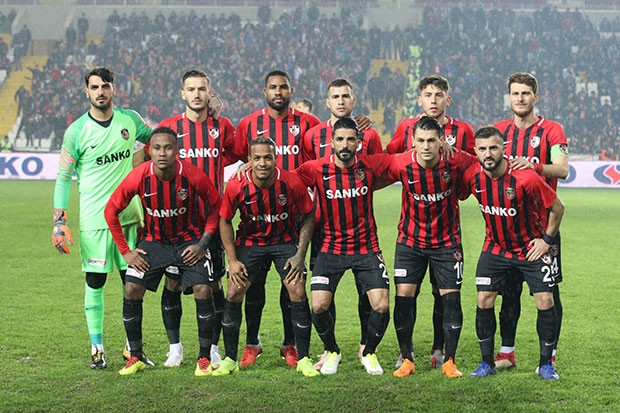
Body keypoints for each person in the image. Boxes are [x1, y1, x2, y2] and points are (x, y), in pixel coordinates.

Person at [52, 67, 151, 369]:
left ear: (113, 89)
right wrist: (59, 221)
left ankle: (132, 348)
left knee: (132, 284)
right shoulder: (76, 131)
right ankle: (97, 348)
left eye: (105, 86)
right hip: (95, 221)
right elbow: (63, 177)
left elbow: (158, 141)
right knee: (95, 282)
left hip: (129, 218)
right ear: (87, 91)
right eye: (94, 87)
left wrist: (139, 159)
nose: (100, 92)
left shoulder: (130, 120)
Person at [104, 127, 221, 376]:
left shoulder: (191, 175)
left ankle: (203, 358)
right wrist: (126, 252)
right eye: (157, 148)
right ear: (149, 150)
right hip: (153, 242)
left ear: (177, 150)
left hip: (188, 242)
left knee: (203, 289)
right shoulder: (139, 176)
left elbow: (216, 206)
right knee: (131, 288)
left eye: (168, 148)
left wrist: (202, 244)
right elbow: (110, 211)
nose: (162, 153)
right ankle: (135, 356)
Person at [386, 74, 475, 369]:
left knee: (444, 294)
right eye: (428, 95)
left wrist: (454, 157)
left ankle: (440, 349)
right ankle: (406, 352)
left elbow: (476, 166)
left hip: (446, 235)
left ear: (447, 99)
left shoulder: (463, 131)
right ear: (420, 99)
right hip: (411, 234)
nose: (433, 100)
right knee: (406, 294)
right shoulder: (405, 128)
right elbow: (387, 160)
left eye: (439, 95)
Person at [462, 126, 564, 381]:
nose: (488, 153)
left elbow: (558, 207)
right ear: (475, 151)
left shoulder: (526, 178)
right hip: (495, 248)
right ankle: (487, 363)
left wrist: (546, 241)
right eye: (482, 149)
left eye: (493, 148)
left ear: (504, 149)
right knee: (484, 299)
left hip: (530, 248)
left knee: (546, 300)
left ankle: (546, 365)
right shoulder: (472, 176)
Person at [234, 70, 321, 368]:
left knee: (292, 286)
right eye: (273, 87)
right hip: (257, 221)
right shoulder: (248, 124)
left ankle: (290, 344)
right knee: (253, 286)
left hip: (294, 219)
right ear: (265, 91)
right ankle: (252, 343)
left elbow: (325, 149)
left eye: (283, 87)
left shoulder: (308, 123)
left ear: (291, 90)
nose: (278, 92)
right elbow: (238, 157)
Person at [156, 69, 241, 369]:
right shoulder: (169, 128)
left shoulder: (222, 126)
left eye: (201, 89)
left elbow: (239, 153)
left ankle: (213, 348)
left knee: (213, 284)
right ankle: (175, 348)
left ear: (209, 93)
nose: (196, 94)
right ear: (182, 93)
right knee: (173, 282)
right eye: (190, 89)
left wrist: (238, 167)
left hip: (212, 220)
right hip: (177, 221)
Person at [295, 117, 392, 375]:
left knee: (381, 305)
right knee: (318, 306)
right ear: (332, 142)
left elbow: (402, 160)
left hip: (366, 248)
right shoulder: (316, 168)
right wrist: (249, 166)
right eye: (340, 139)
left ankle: (369, 352)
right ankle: (332, 351)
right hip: (330, 248)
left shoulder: (369, 165)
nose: (345, 144)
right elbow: (285, 180)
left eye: (350, 139)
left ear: (359, 143)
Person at [214, 136, 318, 377]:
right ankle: (230, 358)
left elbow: (309, 215)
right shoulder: (237, 185)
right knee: (234, 291)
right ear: (249, 160)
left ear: (276, 158)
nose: (263, 163)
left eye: (268, 158)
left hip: (284, 241)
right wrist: (233, 261)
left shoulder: (290, 182)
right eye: (257, 158)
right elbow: (225, 220)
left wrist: (300, 254)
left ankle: (303, 358)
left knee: (297, 290)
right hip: (250, 242)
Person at [493, 72, 569, 371]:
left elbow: (562, 170)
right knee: (509, 292)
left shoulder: (552, 130)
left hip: (543, 228)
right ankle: (506, 354)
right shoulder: (499, 131)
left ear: (535, 97)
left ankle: (549, 356)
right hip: (509, 229)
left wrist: (533, 166)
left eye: (525, 93)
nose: (520, 98)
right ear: (509, 97)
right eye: (515, 93)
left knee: (548, 294)